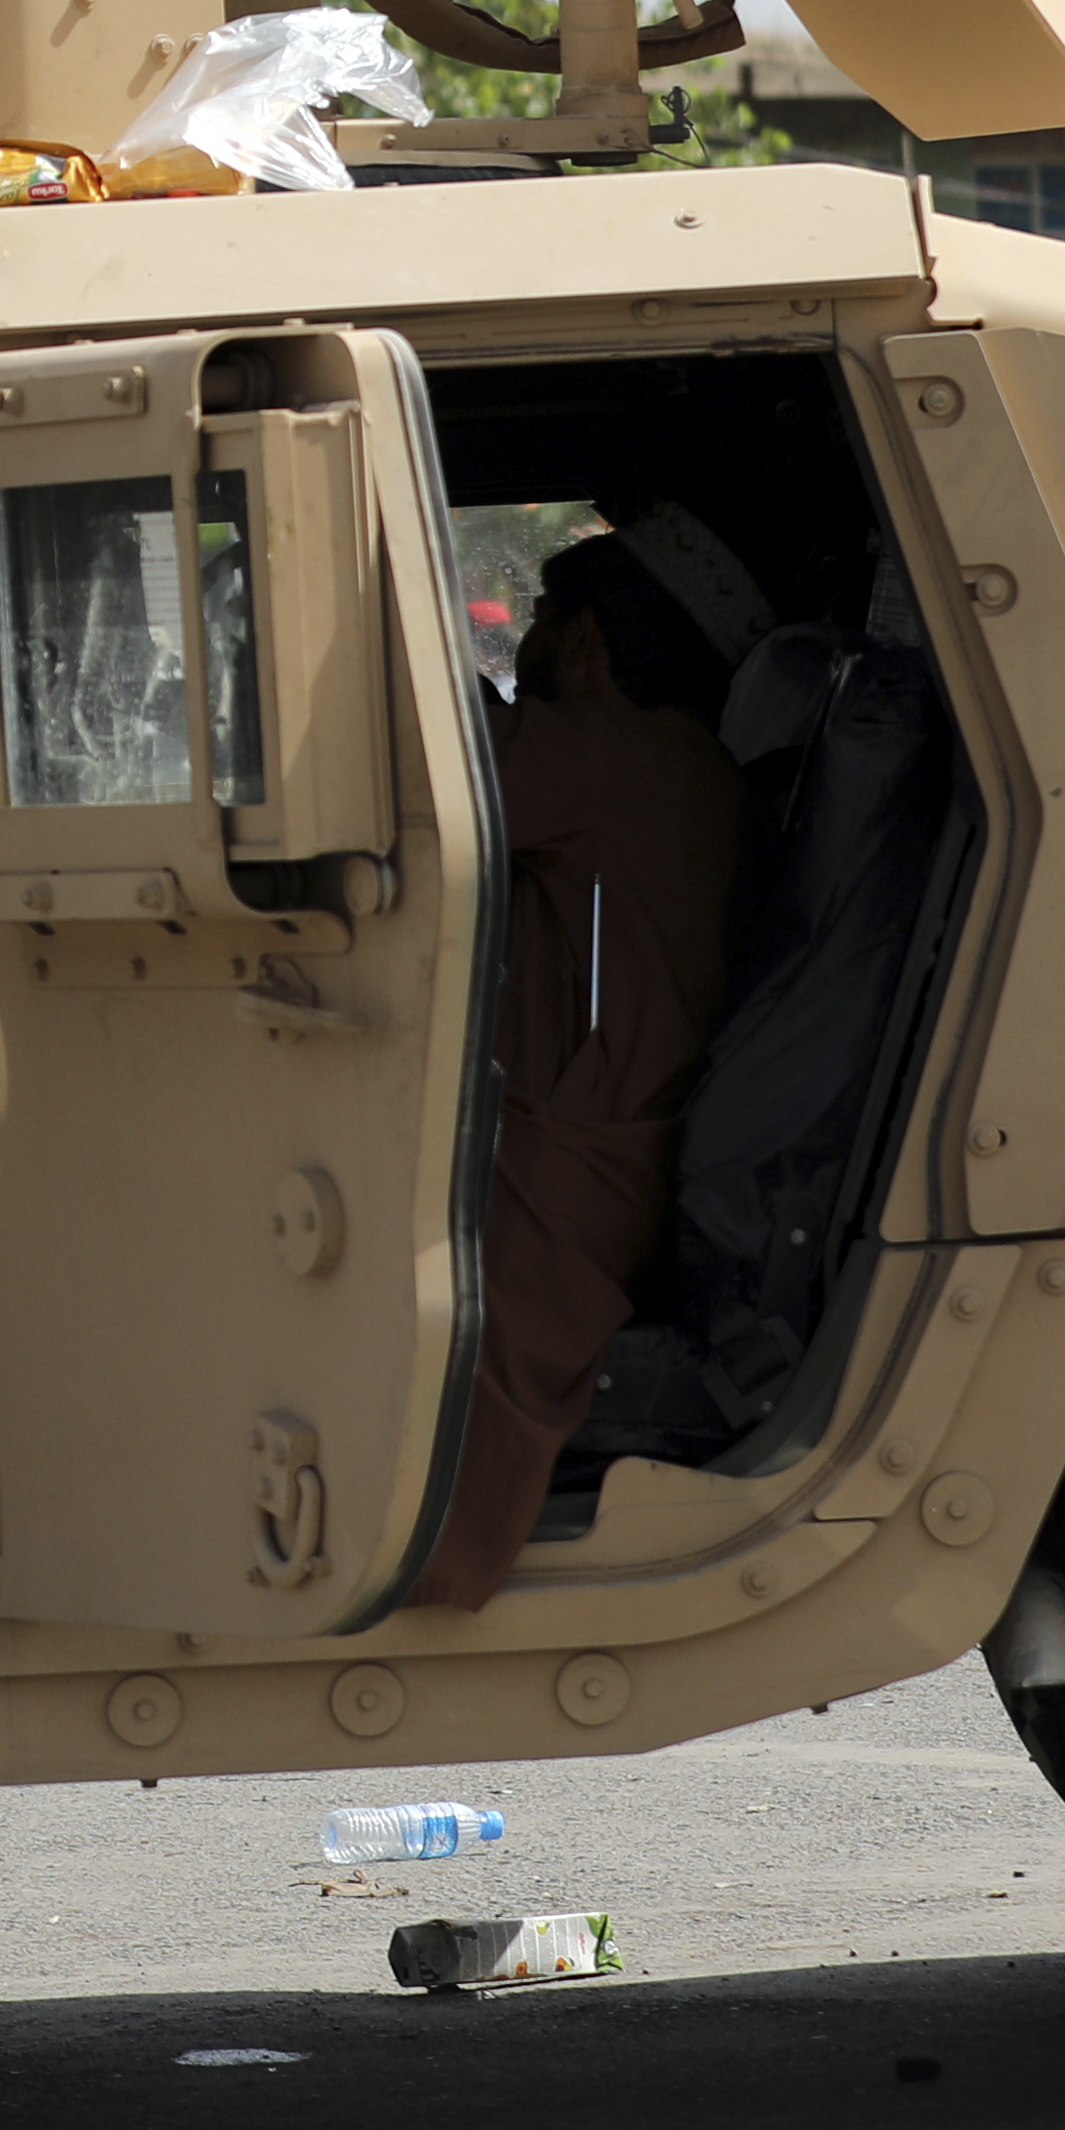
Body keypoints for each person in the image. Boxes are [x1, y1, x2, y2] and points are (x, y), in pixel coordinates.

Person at [422, 507, 757, 1609]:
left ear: (592, 645)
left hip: (566, 1166)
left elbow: (446, 767)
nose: (521, 647)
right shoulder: (674, 762)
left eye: (541, 621)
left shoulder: (619, 756)